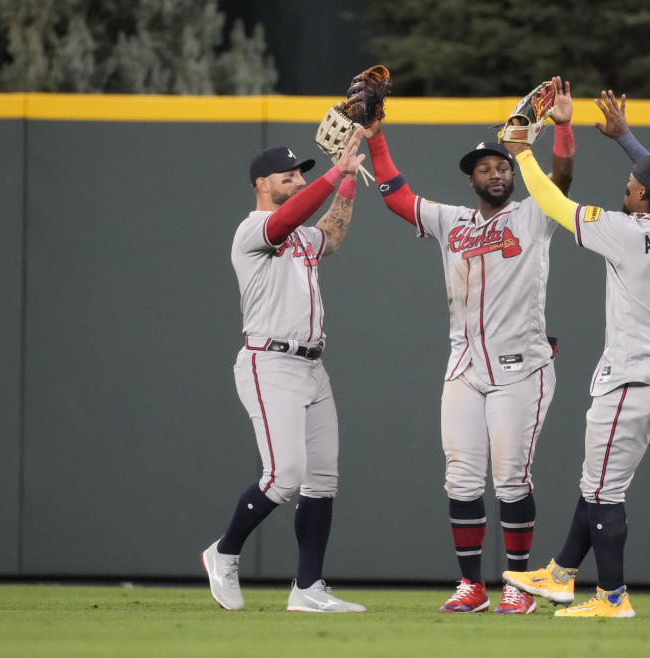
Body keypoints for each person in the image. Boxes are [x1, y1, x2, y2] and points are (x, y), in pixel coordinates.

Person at [361, 78, 576, 614]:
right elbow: (396, 196)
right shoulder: (450, 221)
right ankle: (472, 586)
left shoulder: (533, 214)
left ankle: (519, 587)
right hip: (464, 367)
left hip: (521, 367)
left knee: (509, 479)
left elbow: (562, 176)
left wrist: (565, 127)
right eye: (486, 168)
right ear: (472, 178)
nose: (497, 173)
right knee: (460, 475)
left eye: (503, 166)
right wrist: (376, 138)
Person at [500, 90, 650, 618]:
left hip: (634, 383)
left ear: (645, 199)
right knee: (598, 482)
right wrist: (626, 140)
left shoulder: (626, 232)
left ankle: (613, 598)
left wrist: (522, 152)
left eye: (634, 186)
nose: (628, 186)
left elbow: (553, 204)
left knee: (604, 493)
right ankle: (562, 573)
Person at [201, 130, 368, 613]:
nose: (297, 181)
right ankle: (224, 552)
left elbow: (332, 233)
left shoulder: (300, 234)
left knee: (322, 481)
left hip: (312, 366)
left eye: (301, 175)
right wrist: (335, 170)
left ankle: (308, 589)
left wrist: (349, 181)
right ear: (261, 184)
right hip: (268, 362)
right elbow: (293, 215)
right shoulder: (254, 229)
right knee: (284, 476)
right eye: (288, 176)